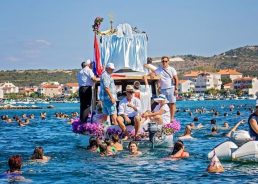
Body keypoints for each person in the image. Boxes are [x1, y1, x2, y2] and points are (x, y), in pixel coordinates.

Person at [147, 56, 178, 121]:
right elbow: (153, 72)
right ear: (161, 62)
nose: (164, 62)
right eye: (163, 61)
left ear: (168, 61)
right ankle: (166, 116)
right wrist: (152, 74)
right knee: (164, 103)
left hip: (171, 88)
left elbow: (176, 79)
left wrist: (176, 89)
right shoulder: (159, 69)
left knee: (172, 103)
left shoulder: (172, 69)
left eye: (166, 61)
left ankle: (172, 118)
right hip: (163, 89)